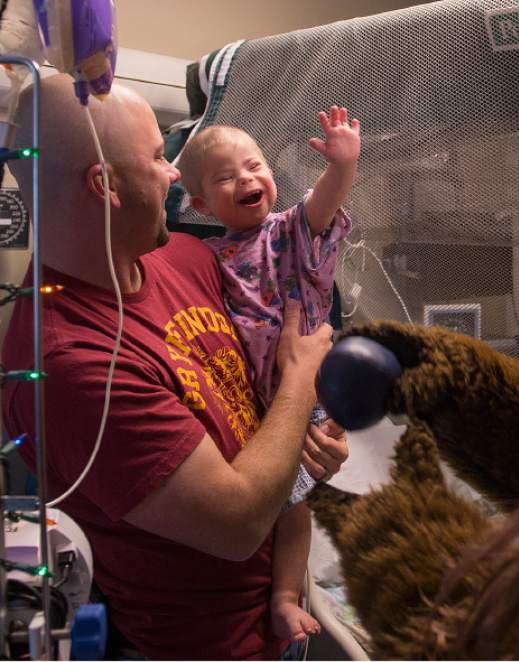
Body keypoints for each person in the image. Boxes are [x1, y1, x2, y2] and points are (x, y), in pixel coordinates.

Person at [0, 74, 348, 660]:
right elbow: (236, 525)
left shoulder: (184, 259)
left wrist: (311, 445)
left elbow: (285, 272)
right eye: (160, 157)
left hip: (280, 616)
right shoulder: (71, 366)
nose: (173, 174)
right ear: (105, 185)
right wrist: (300, 381)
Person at [176, 108, 359, 642]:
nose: (247, 179)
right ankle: (284, 592)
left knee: (289, 501)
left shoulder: (289, 231)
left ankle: (284, 596)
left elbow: (324, 206)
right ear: (203, 205)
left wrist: (342, 165)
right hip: (255, 401)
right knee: (275, 499)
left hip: (308, 390)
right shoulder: (208, 255)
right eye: (227, 177)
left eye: (254, 165)